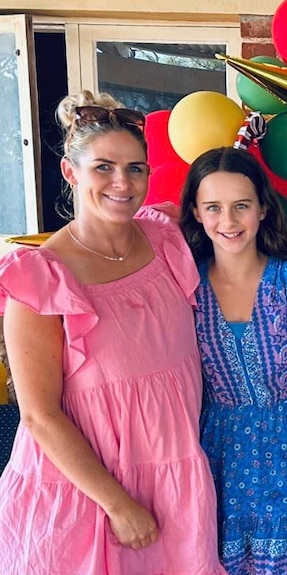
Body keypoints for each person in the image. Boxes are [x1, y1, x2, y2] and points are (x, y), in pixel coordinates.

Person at [0, 91, 226, 573]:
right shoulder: (41, 279)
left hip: (174, 477)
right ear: (70, 172)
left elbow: (244, 230)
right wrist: (117, 504)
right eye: (103, 167)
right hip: (88, 495)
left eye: (136, 168)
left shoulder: (165, 237)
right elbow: (39, 416)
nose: (122, 183)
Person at [178, 147, 287, 575]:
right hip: (216, 453)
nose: (228, 221)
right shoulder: (182, 287)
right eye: (213, 207)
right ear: (195, 211)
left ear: (264, 208)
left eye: (241, 206)